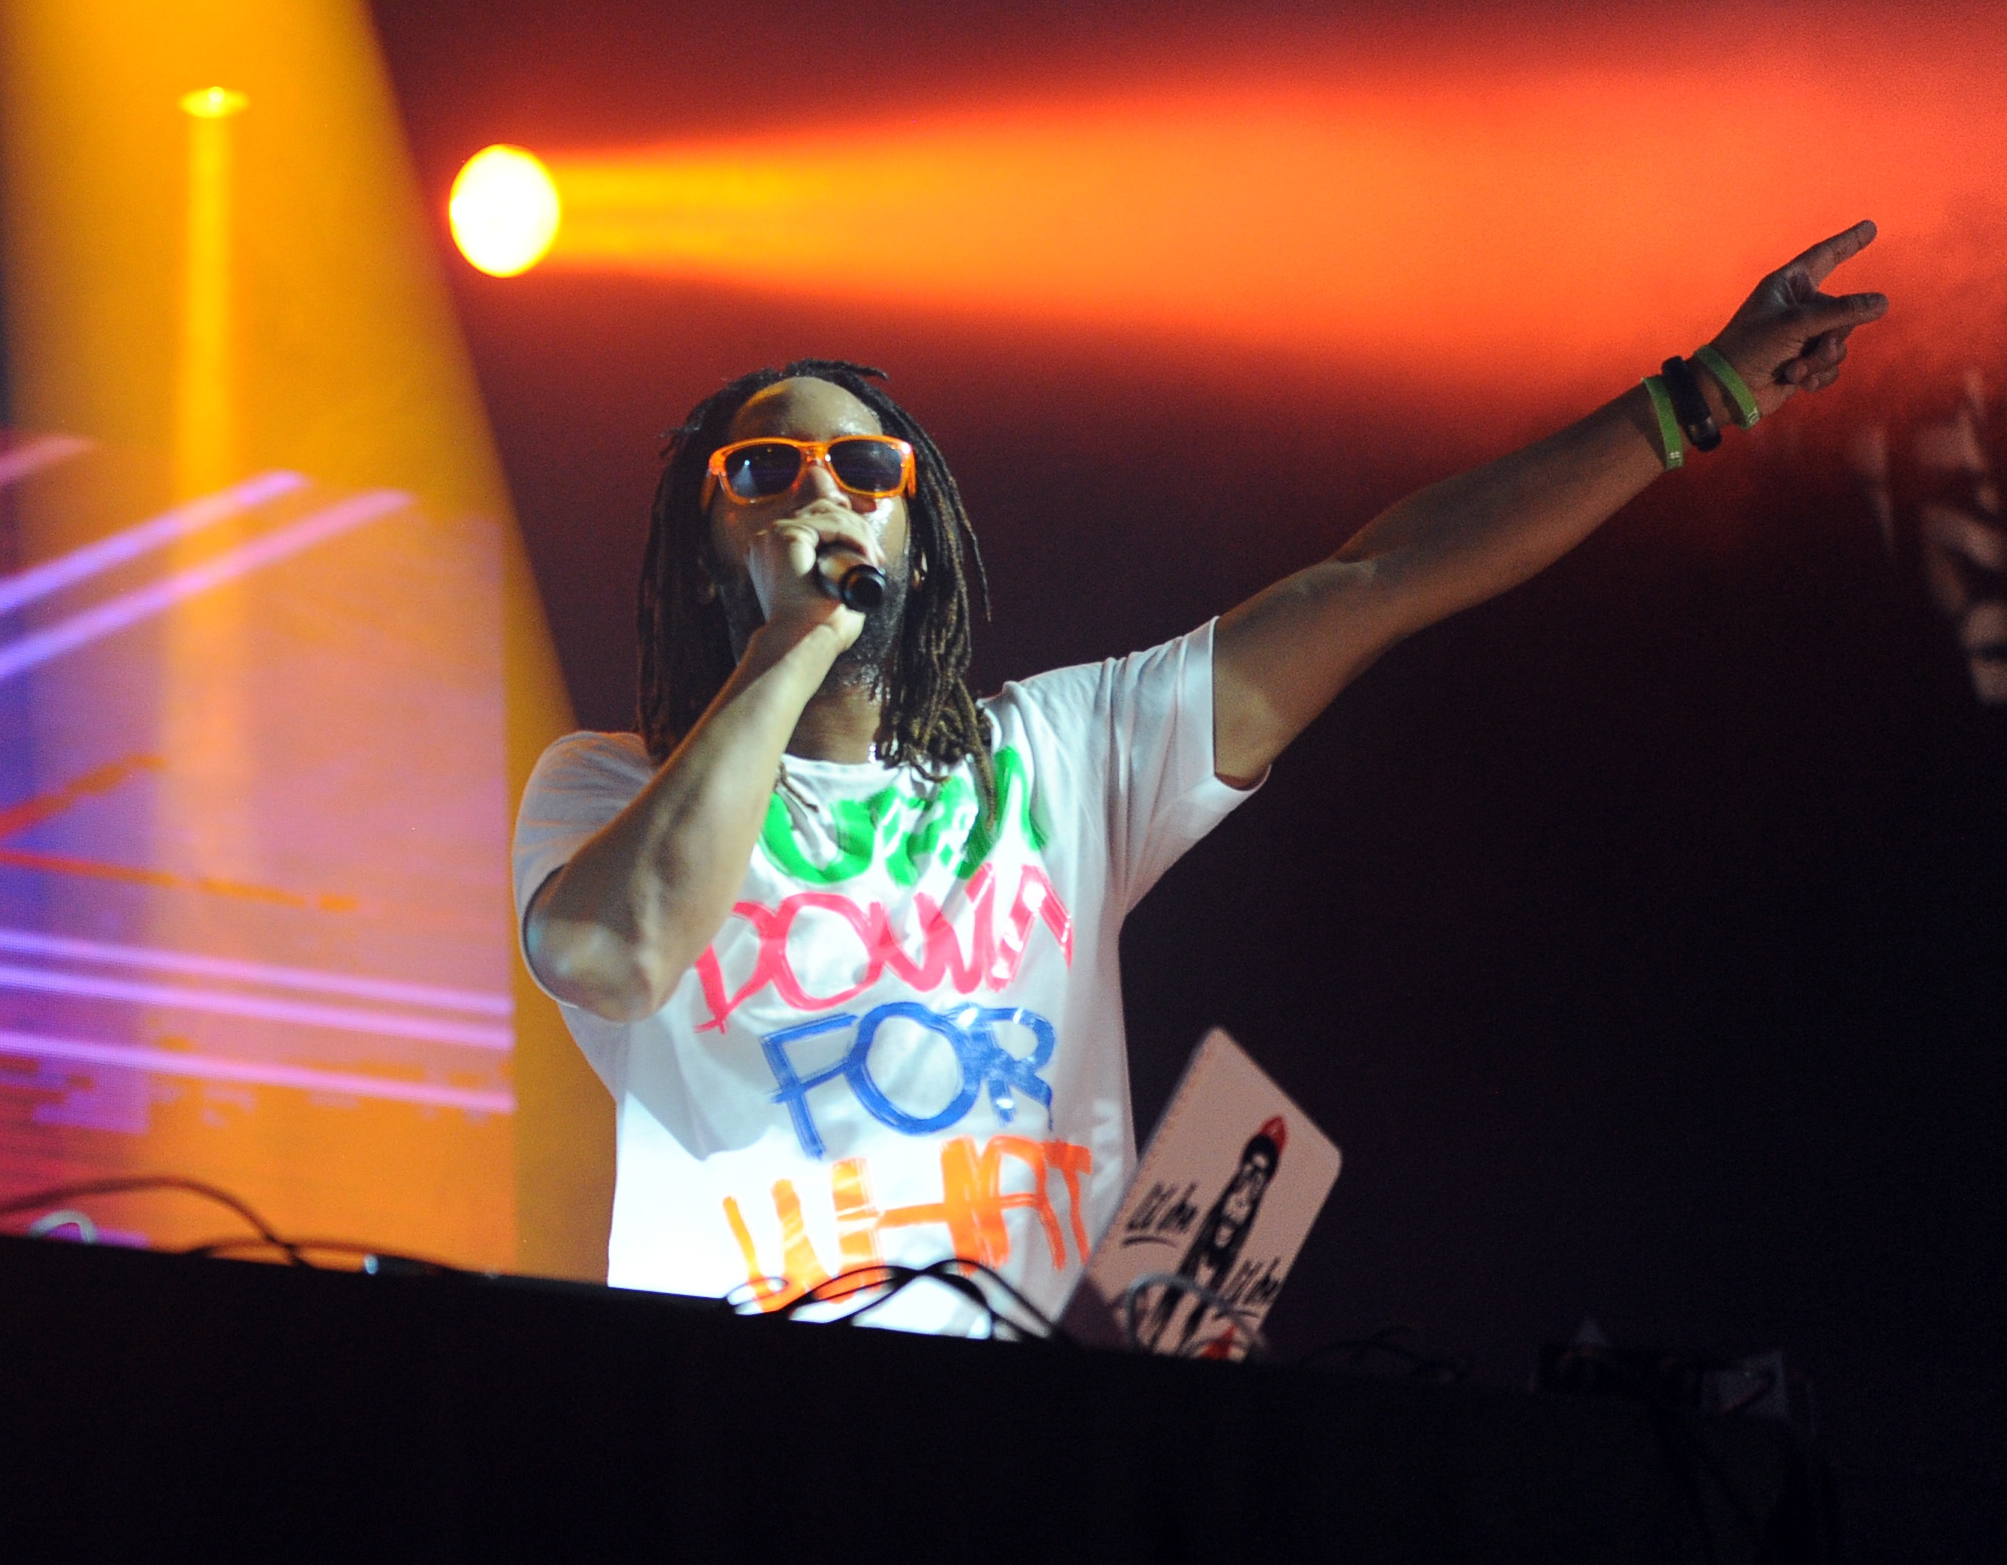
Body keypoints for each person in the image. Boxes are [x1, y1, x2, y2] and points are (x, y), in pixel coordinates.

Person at [514, 224, 1889, 1330]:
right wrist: (791, 643)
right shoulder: (602, 793)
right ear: (710, 545)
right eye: (763, 470)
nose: (819, 494)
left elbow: (1376, 578)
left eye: (863, 466)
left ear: (917, 535)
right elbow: (618, 951)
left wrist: (1686, 403)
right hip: (743, 1462)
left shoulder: (1058, 758)